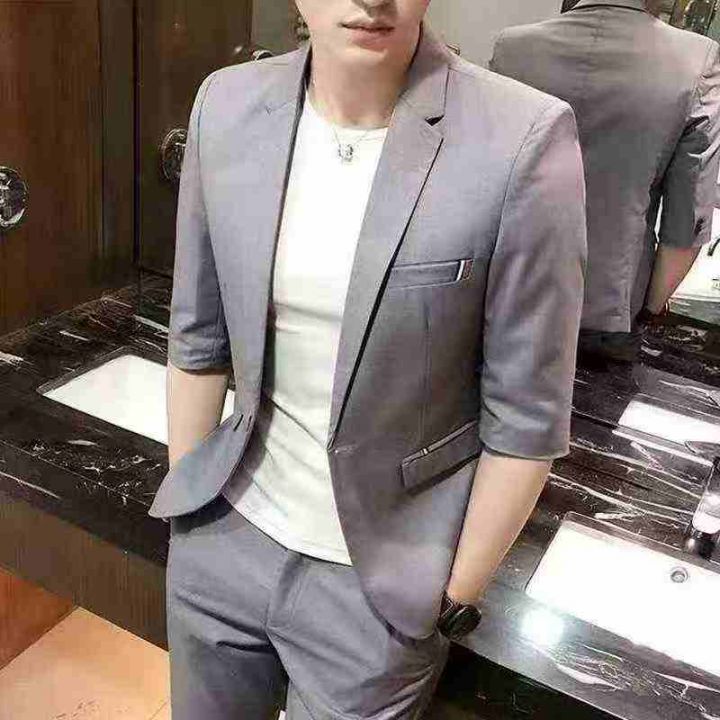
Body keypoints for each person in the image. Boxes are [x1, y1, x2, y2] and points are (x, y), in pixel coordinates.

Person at [149, 1, 587, 717]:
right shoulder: (226, 105)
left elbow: (527, 418)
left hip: (381, 589)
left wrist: (452, 596)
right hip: (224, 537)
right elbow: (199, 332)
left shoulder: (521, 137)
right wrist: (188, 516)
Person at [491, 0, 720, 365]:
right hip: (606, 312)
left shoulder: (512, 47)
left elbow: (483, 189)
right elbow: (686, 222)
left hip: (503, 291)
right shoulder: (697, 62)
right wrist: (648, 309)